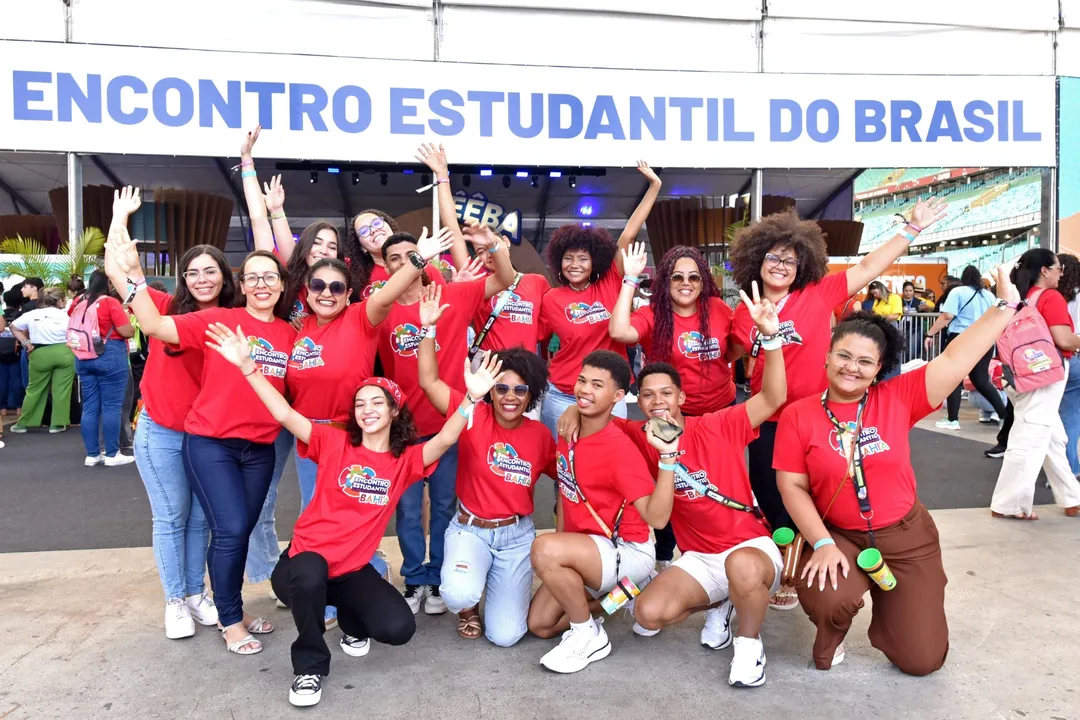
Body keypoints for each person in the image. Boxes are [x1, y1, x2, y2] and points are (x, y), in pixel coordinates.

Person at [203, 320, 505, 707]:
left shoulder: (404, 461)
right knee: (311, 570)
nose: (367, 409)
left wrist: (472, 399)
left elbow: (446, 437)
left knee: (399, 628)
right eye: (360, 403)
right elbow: (283, 413)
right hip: (299, 569)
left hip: (349, 572)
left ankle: (350, 623)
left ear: (395, 410)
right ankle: (309, 666)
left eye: (377, 402)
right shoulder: (332, 441)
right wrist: (248, 366)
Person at [773, 269, 1025, 675]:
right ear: (827, 355)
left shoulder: (899, 397)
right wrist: (821, 543)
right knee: (828, 593)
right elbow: (791, 486)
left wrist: (1005, 307)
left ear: (878, 369)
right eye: (843, 355)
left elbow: (956, 356)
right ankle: (832, 625)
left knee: (922, 660)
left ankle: (895, 614)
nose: (851, 368)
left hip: (906, 538)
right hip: (841, 535)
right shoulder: (798, 415)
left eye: (865, 361)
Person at [727, 198, 948, 610]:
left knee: (820, 495)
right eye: (773, 257)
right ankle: (787, 563)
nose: (780, 265)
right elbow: (729, 358)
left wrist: (912, 229)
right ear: (757, 260)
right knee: (773, 499)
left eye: (790, 260)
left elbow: (868, 268)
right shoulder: (742, 312)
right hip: (768, 420)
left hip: (818, 417)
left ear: (802, 266)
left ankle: (810, 567)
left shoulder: (816, 293)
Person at [563, 282, 787, 687]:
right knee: (647, 615)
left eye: (666, 392)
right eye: (647, 396)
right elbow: (596, 415)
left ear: (682, 397)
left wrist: (770, 339)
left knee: (742, 567)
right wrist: (572, 416)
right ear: (637, 402)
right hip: (699, 558)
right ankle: (723, 602)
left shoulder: (719, 424)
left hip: (749, 547)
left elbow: (773, 397)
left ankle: (749, 647)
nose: (657, 401)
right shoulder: (637, 435)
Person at [106, 225, 296, 656]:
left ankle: (228, 607)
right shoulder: (219, 321)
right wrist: (133, 270)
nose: (262, 285)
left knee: (240, 531)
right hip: (211, 444)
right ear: (241, 285)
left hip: (259, 449)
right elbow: (152, 323)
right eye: (254, 278)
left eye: (271, 277)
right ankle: (229, 620)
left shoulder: (290, 335)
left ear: (282, 285)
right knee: (226, 529)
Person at [278, 228, 453, 628]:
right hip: (309, 435)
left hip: (349, 434)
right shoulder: (300, 331)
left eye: (336, 286)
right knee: (319, 517)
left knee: (361, 512)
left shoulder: (361, 317)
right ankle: (321, 590)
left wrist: (417, 260)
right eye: (318, 285)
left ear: (347, 292)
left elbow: (388, 293)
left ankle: (363, 580)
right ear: (306, 290)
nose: (327, 292)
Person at [104, 185, 234, 639]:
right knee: (172, 515)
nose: (201, 278)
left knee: (202, 517)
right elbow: (115, 270)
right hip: (161, 431)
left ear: (223, 277)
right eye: (193, 271)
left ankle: (197, 594)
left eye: (210, 271)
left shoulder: (233, 321)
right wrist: (119, 221)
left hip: (207, 437)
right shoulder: (160, 307)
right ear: (183, 278)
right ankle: (175, 600)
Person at [376, 224, 516, 613]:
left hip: (447, 423)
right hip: (399, 429)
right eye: (394, 259)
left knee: (442, 505)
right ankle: (414, 578)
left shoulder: (454, 295)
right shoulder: (383, 310)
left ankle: (436, 577)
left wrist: (493, 246)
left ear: (426, 260)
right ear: (385, 267)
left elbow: (505, 279)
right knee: (405, 508)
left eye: (411, 255)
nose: (404, 263)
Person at [416, 285, 554, 644]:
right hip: (470, 529)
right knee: (458, 592)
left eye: (520, 390)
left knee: (506, 636)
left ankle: (495, 582)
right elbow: (429, 383)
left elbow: (570, 477)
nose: (510, 397)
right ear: (490, 391)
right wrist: (428, 330)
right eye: (502, 389)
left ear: (531, 395)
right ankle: (467, 607)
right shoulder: (473, 414)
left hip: (516, 535)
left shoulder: (540, 436)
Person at [526, 350, 675, 674]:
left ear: (618, 396)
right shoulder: (569, 430)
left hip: (627, 550)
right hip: (590, 550)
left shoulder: (618, 447)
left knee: (544, 549)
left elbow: (657, 518)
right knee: (540, 625)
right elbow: (566, 493)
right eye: (582, 381)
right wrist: (564, 552)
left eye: (597, 385)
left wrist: (667, 461)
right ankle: (622, 595)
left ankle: (589, 634)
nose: (584, 390)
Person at [609, 243, 736, 570]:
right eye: (677, 276)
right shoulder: (653, 314)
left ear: (703, 281)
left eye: (694, 277)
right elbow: (619, 331)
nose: (686, 283)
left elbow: (732, 351)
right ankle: (665, 556)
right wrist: (630, 279)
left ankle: (714, 556)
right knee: (671, 484)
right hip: (671, 416)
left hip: (719, 412)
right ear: (665, 281)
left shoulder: (718, 309)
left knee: (715, 484)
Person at [539, 162, 662, 437]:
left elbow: (629, 232)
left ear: (594, 262)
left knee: (606, 463)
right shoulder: (551, 298)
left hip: (608, 392)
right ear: (559, 262)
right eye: (568, 258)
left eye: (583, 258)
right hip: (562, 393)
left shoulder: (609, 281)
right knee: (565, 467)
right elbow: (539, 340)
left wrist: (654, 186)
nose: (575, 264)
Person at [416, 142, 552, 357]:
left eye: (490, 246)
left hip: (525, 372)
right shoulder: (477, 278)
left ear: (505, 242)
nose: (487, 255)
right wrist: (442, 175)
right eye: (480, 251)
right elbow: (452, 226)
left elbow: (545, 333)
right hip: (486, 372)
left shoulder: (537, 283)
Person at [989, 249, 1080, 519]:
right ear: (1045, 271)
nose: (1061, 273)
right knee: (1029, 436)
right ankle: (1009, 505)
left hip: (1019, 372)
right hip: (1045, 374)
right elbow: (1063, 340)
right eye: (1058, 268)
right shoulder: (1051, 298)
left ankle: (1071, 497)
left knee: (1051, 436)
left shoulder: (1019, 298)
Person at [922, 265, 1006, 431]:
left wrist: (930, 334)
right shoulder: (988, 295)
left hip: (961, 337)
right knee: (981, 380)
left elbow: (947, 315)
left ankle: (952, 419)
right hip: (984, 339)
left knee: (953, 378)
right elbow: (1000, 313)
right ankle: (1005, 415)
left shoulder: (958, 292)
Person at [67, 269, 136, 466]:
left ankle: (92, 454)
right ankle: (112, 454)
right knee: (112, 407)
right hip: (110, 355)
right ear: (110, 283)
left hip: (83, 356)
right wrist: (130, 328)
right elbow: (125, 331)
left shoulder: (77, 301)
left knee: (89, 407)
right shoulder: (109, 302)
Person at [6, 288, 75, 435]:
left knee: (34, 389)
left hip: (39, 353)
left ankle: (24, 423)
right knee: (61, 390)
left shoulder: (32, 314)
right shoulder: (66, 316)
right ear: (60, 301)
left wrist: (26, 343)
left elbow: (13, 327)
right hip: (64, 352)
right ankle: (57, 424)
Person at [1056, 253, 1080, 476]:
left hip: (1066, 358)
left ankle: (1067, 468)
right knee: (1071, 415)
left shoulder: (1056, 297)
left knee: (1066, 416)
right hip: (1075, 354)